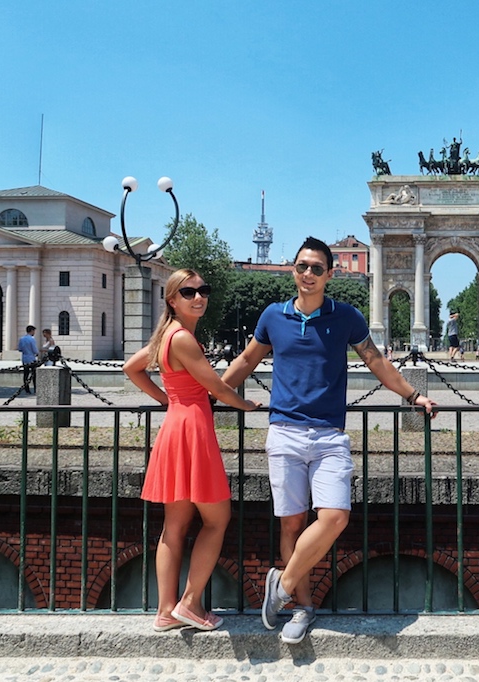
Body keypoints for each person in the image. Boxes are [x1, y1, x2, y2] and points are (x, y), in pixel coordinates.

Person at [220, 237, 436, 645]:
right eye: (302, 266)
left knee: (334, 516)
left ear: (330, 275)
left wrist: (412, 395)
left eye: (317, 268)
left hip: (329, 435)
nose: (308, 274)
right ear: (293, 270)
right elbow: (247, 360)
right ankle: (301, 607)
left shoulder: (347, 317)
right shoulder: (273, 315)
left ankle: (280, 587)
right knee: (292, 523)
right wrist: (214, 393)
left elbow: (376, 362)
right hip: (284, 431)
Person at [123, 269, 261, 633]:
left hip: (175, 427)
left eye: (203, 291)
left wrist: (167, 399)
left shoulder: (165, 335)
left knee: (175, 524)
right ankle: (190, 602)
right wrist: (247, 406)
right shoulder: (182, 338)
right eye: (189, 292)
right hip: (194, 431)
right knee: (216, 519)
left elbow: (131, 368)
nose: (199, 297)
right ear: (172, 299)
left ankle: (166, 611)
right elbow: (216, 386)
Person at [17, 325, 38, 393]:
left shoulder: (22, 339)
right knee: (34, 374)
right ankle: (35, 388)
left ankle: (27, 389)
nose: (34, 332)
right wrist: (37, 353)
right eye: (34, 331)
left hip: (24, 357)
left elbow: (20, 349)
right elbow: (34, 349)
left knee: (26, 374)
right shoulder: (32, 339)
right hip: (31, 357)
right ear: (31, 331)